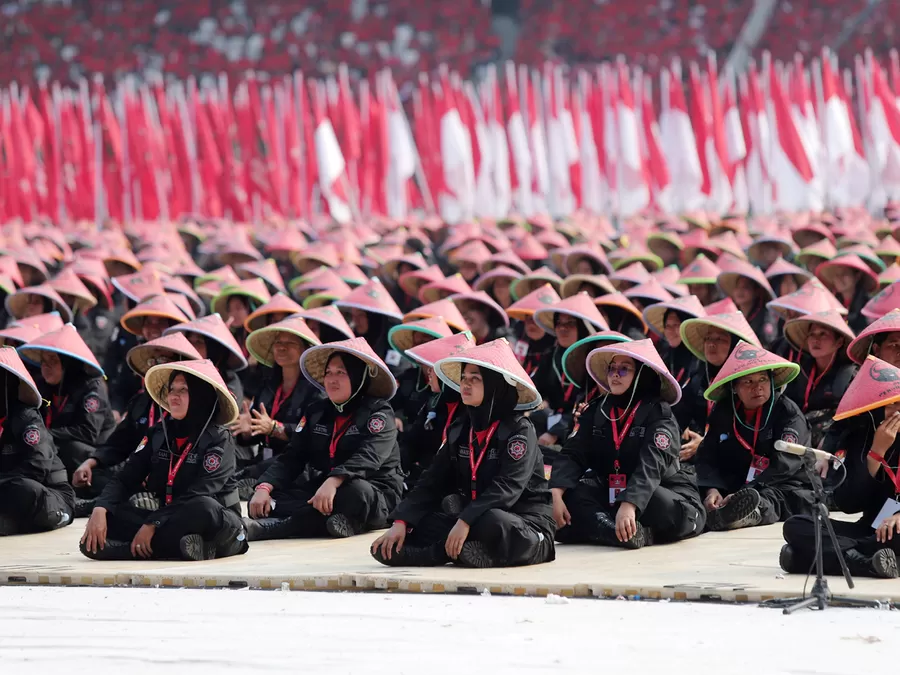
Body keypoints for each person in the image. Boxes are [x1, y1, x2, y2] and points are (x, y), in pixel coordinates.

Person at [371, 338, 556, 568]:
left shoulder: (519, 429)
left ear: (494, 386)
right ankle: (463, 551)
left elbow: (508, 487)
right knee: (418, 525)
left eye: (475, 379)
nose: (465, 385)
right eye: (463, 378)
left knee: (493, 521)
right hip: (471, 516)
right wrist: (400, 521)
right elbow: (431, 481)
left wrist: (465, 519)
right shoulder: (461, 427)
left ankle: (437, 554)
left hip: (523, 522)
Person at [79, 359, 248, 561]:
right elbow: (125, 478)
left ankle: (128, 550)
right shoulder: (158, 434)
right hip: (169, 518)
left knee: (203, 506)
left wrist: (152, 524)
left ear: (200, 396)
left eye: (183, 390)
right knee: (100, 528)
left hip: (216, 523)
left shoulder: (220, 438)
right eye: (172, 389)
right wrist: (101, 508)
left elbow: (202, 491)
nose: (174, 396)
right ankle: (181, 547)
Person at [244, 338, 403, 541]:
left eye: (341, 373)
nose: (332, 379)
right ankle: (336, 521)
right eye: (328, 373)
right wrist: (264, 486)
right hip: (326, 490)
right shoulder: (317, 412)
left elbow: (370, 456)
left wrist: (335, 480)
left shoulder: (379, 412)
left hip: (373, 491)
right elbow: (293, 457)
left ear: (357, 378)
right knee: (262, 500)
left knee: (354, 493)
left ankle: (276, 528)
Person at [550, 339, 705, 548]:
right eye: (612, 369)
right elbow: (572, 453)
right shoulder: (597, 410)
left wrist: (630, 503)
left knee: (658, 502)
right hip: (612, 491)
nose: (615, 374)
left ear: (641, 374)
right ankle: (616, 532)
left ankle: (611, 528)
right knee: (569, 496)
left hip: (660, 490)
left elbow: (652, 465)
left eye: (624, 370)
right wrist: (556, 493)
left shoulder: (660, 414)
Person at [781, 356, 900, 578]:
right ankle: (866, 561)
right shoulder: (860, 437)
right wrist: (876, 454)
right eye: (891, 405)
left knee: (896, 537)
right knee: (796, 525)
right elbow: (849, 503)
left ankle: (812, 558)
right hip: (870, 528)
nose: (897, 413)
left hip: (896, 530)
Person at [71, 333, 203, 513]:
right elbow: (119, 443)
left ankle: (102, 505)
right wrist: (91, 462)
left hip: (177, 480)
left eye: (163, 359)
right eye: (153, 360)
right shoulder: (142, 401)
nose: (156, 365)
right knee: (96, 476)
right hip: (140, 472)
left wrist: (157, 472)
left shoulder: (194, 404)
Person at [696, 341, 815, 531]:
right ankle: (708, 513)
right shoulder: (725, 410)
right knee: (689, 482)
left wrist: (744, 492)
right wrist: (712, 489)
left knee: (778, 497)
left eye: (763, 380)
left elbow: (784, 466)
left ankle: (750, 513)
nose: (757, 387)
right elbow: (706, 455)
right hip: (735, 482)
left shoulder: (788, 414)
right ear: (734, 387)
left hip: (780, 483)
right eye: (748, 382)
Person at [231, 317, 322, 491]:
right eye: (278, 342)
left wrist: (275, 428)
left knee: (247, 474)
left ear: (305, 349)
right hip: (265, 457)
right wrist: (247, 430)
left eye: (290, 343)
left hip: (298, 465)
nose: (281, 347)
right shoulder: (268, 384)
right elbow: (258, 429)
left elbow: (312, 435)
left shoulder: (316, 391)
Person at [18, 324, 115, 479]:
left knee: (69, 447)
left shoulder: (92, 388)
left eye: (53, 360)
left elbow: (87, 432)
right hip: (56, 449)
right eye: (43, 360)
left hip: (96, 456)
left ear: (68, 364)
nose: (46, 366)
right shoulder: (45, 386)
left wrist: (46, 434)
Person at [0, 348, 74, 536]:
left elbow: (37, 466)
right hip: (8, 498)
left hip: (48, 494)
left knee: (24, 488)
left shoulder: (26, 417)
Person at [676, 311, 761, 461]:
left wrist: (704, 444)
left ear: (736, 345)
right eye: (708, 338)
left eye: (720, 339)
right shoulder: (699, 376)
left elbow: (750, 433)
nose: (711, 344)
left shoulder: (749, 384)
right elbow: (679, 413)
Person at [530, 293, 609, 447]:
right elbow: (535, 388)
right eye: (559, 323)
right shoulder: (550, 356)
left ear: (583, 327)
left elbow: (592, 404)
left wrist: (555, 432)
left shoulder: (594, 361)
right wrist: (539, 403)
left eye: (570, 323)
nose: (563, 328)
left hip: (579, 424)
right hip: (550, 418)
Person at [399, 332, 475, 489]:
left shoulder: (471, 412)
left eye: (434, 367)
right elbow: (411, 443)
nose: (429, 371)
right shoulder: (434, 402)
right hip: (425, 479)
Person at [782, 310, 857, 447]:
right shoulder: (799, 370)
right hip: (794, 435)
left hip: (829, 444)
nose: (816, 340)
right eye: (812, 334)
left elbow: (851, 421)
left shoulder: (850, 375)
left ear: (839, 342)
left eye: (823, 334)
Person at [163, 313, 248, 404]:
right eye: (189, 340)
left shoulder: (229, 381)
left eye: (199, 342)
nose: (191, 346)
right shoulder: (176, 371)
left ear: (213, 350)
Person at [643, 295, 706, 389]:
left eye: (676, 325)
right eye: (667, 326)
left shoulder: (700, 361)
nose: (670, 331)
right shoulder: (665, 355)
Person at [335, 279, 404, 361]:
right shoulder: (352, 341)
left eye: (361, 315)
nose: (355, 320)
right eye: (353, 315)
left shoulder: (393, 344)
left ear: (374, 318)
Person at [716, 261, 777, 347]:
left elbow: (767, 345)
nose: (740, 291)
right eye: (737, 287)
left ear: (756, 291)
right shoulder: (731, 314)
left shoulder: (765, 318)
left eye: (746, 287)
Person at [505, 284, 560, 377]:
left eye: (536, 319)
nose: (531, 323)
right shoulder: (516, 342)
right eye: (528, 318)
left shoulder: (557, 352)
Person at [815, 254, 877, 334]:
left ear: (857, 276)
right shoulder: (829, 303)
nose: (839, 278)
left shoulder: (869, 305)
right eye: (837, 274)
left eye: (844, 274)